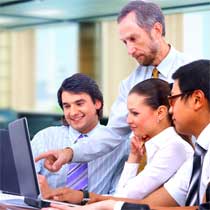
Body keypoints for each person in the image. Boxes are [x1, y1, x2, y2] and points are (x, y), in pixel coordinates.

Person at [35, 0, 194, 176]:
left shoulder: (194, 71)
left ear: (156, 30)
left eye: (133, 39)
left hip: (187, 174)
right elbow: (112, 133)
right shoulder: (130, 83)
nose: (130, 50)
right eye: (125, 42)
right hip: (143, 176)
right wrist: (70, 153)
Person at [42, 59, 210, 210]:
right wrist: (87, 201)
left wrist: (87, 201)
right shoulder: (197, 155)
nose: (128, 121)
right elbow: (142, 204)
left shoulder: (176, 148)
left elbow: (130, 197)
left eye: (174, 99)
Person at [32, 73, 129, 194]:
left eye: (79, 104)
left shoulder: (120, 145)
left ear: (97, 103)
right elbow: (25, 182)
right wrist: (41, 192)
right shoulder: (45, 138)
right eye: (67, 106)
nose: (73, 112)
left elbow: (118, 196)